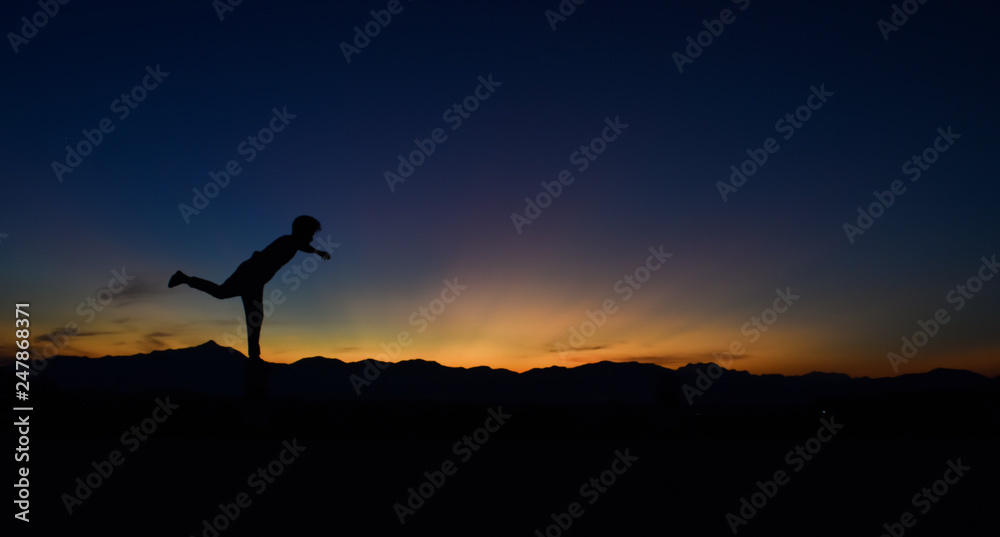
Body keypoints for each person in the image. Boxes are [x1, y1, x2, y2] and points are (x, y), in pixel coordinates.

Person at [168, 215, 331, 400]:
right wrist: (317, 252)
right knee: (226, 296)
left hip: (255, 279)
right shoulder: (288, 241)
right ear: (302, 231)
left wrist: (318, 252)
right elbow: (300, 246)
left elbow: (303, 246)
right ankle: (184, 278)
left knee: (252, 316)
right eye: (310, 234)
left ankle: (254, 360)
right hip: (250, 275)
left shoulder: (293, 242)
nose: (311, 238)